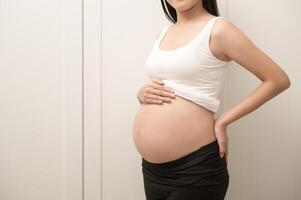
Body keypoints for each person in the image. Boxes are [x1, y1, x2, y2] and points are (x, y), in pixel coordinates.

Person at [132, 0, 291, 199]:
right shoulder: (164, 33)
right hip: (151, 170)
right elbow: (172, 85)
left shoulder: (219, 30)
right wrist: (142, 93)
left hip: (194, 170)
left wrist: (224, 121)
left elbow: (277, 80)